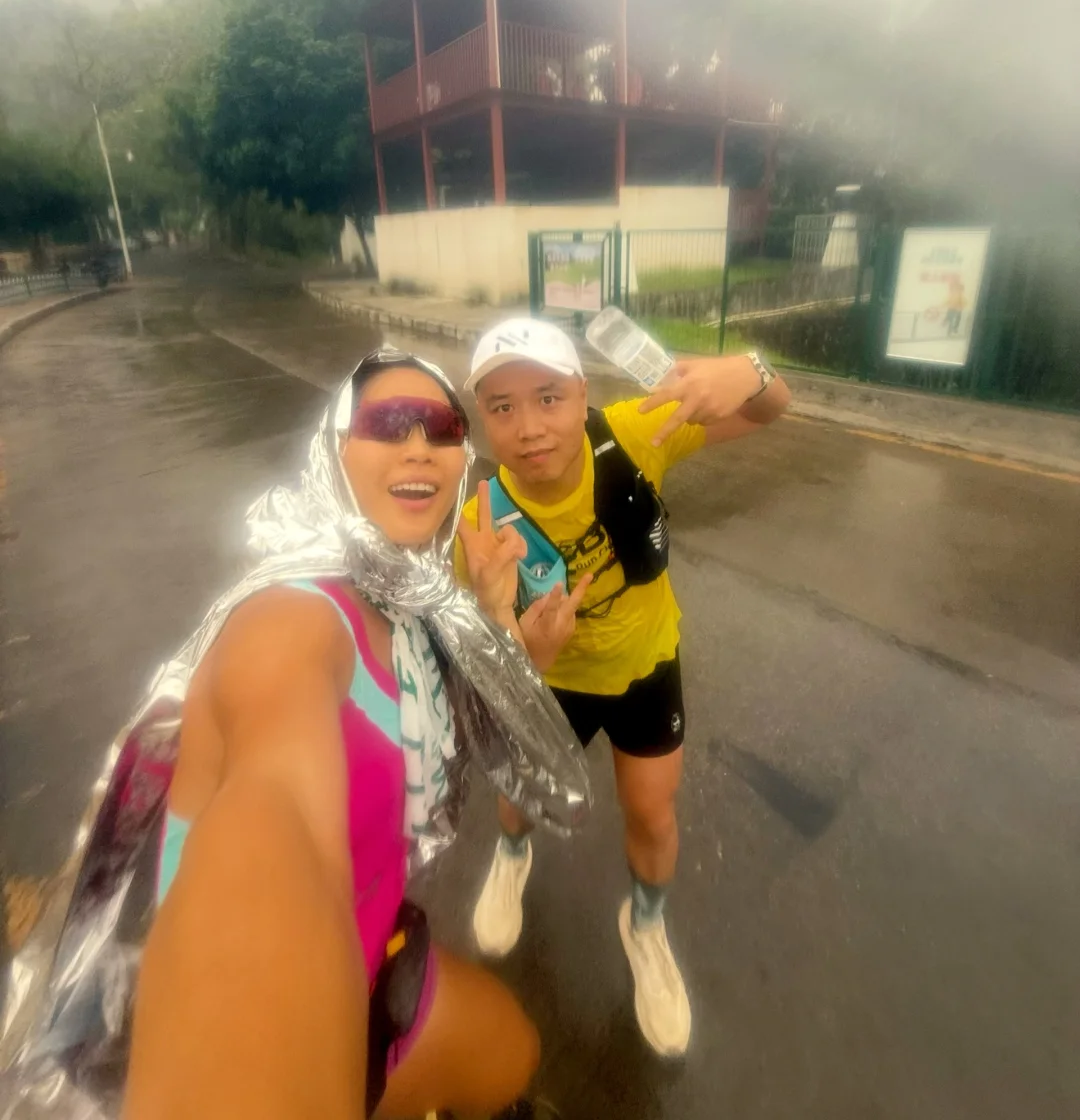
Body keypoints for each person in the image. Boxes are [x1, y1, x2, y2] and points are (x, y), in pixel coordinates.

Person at [125, 351, 565, 1120]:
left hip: (372, 940)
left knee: (513, 1052)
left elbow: (454, 726)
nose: (419, 445)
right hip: (318, 1003)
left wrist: (501, 623)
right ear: (336, 453)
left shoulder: (408, 598)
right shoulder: (292, 624)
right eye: (388, 424)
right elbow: (274, 815)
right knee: (507, 1060)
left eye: (442, 427)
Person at [456, 318, 791, 1058]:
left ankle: (644, 925)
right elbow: (482, 655)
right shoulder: (479, 522)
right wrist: (525, 649)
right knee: (522, 789)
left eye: (548, 398)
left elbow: (769, 411)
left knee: (652, 815)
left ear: (583, 395)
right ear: (483, 417)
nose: (529, 427)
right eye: (503, 407)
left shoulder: (636, 433)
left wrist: (751, 372)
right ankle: (511, 858)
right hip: (551, 682)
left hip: (645, 667)